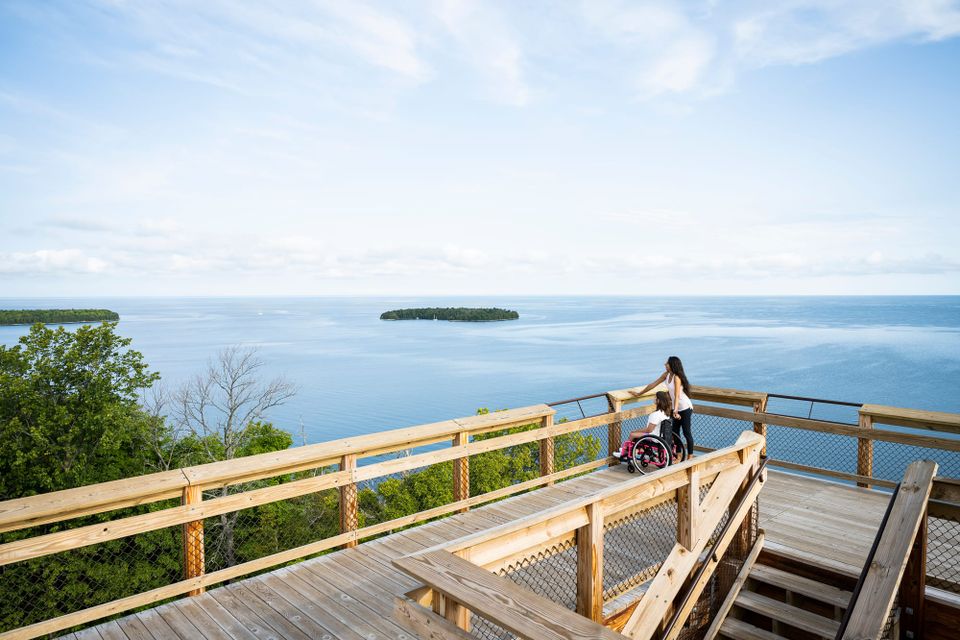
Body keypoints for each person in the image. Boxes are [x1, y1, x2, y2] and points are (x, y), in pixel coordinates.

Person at [633, 356, 694, 457]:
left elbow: (677, 395)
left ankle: (690, 457)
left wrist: (675, 410)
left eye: (667, 363)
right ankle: (678, 456)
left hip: (685, 407)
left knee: (686, 433)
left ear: (672, 365)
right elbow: (653, 384)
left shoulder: (677, 377)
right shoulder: (666, 375)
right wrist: (639, 394)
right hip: (676, 408)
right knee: (675, 433)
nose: (665, 365)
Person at [618, 391, 674, 461]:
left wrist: (636, 430)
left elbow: (649, 430)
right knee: (637, 436)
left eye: (655, 398)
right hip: (663, 437)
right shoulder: (666, 413)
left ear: (658, 401)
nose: (653, 399)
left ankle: (624, 453)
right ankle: (641, 451)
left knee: (632, 434)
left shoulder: (655, 415)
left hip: (654, 437)